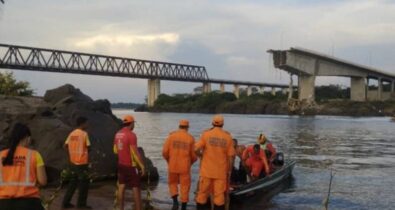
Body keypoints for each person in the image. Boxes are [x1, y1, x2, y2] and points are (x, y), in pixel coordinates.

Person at [0, 123, 47, 210]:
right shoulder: (34, 155)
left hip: (4, 203)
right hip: (30, 203)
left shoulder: (1, 155)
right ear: (27, 137)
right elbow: (43, 181)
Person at [195, 115, 235, 210]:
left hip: (206, 172)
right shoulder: (228, 137)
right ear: (223, 124)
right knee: (219, 197)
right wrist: (229, 171)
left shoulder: (205, 134)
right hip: (221, 173)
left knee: (202, 195)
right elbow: (231, 157)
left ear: (212, 123)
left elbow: (196, 148)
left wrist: (200, 155)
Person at [162, 119, 197, 210]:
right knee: (185, 186)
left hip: (172, 165)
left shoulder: (171, 136)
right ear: (187, 127)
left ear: (179, 126)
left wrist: (169, 161)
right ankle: (184, 207)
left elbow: (164, 152)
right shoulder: (190, 138)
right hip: (185, 167)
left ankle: (175, 202)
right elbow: (194, 156)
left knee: (172, 183)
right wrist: (190, 163)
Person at [114, 115, 145, 210]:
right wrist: (142, 166)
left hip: (121, 164)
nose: (134, 126)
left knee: (121, 186)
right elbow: (135, 153)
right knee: (136, 188)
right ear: (131, 124)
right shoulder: (131, 135)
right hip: (131, 166)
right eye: (133, 124)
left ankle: (120, 208)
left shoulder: (117, 134)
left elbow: (115, 150)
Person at [62, 117, 92, 209]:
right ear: (82, 124)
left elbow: (64, 146)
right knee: (84, 184)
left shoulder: (72, 134)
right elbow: (89, 147)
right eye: (86, 123)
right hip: (82, 163)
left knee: (73, 182)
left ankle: (65, 203)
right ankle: (81, 205)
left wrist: (71, 154)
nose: (87, 125)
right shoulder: (84, 134)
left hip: (73, 162)